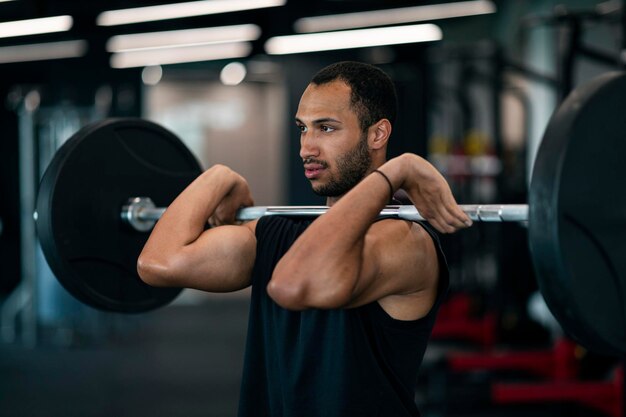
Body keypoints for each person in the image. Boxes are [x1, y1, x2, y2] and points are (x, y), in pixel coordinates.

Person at [137, 61, 472, 416]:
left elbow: (294, 285)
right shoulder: (280, 231)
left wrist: (396, 172)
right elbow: (159, 263)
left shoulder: (404, 240)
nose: (306, 148)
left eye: (326, 128)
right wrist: (220, 177)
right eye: (302, 129)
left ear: (378, 134)